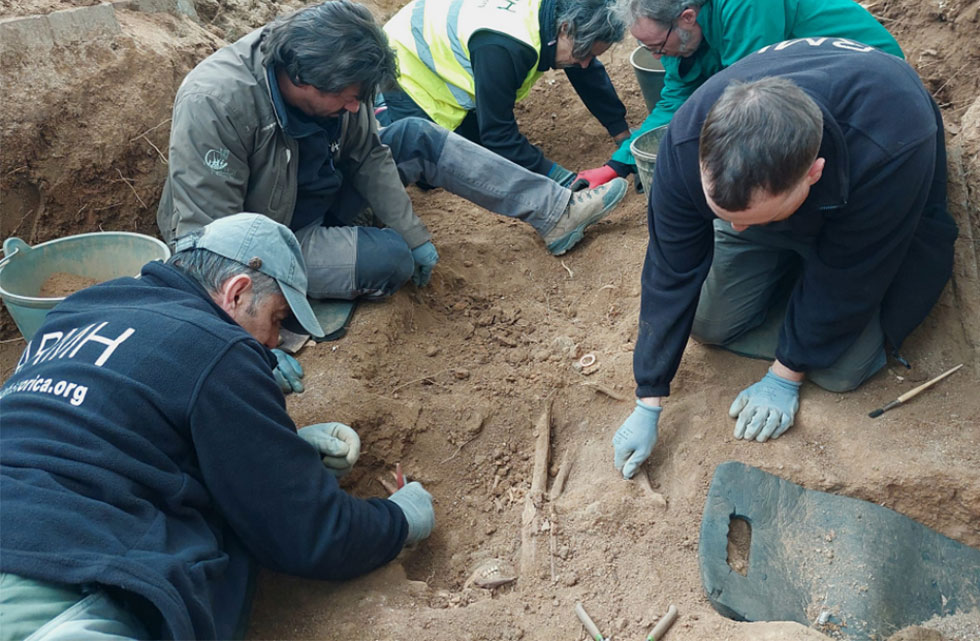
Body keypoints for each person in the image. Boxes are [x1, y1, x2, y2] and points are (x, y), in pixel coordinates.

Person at [0, 214, 436, 640]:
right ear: (237, 292)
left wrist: (279, 452)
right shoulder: (217, 350)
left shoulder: (81, 307)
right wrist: (399, 519)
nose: (271, 342)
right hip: (59, 595)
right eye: (278, 319)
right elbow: (308, 534)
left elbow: (104, 430)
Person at [612, 39, 957, 479]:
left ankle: (803, 318)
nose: (735, 230)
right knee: (708, 323)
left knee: (841, 372)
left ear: (813, 174)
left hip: (873, 212)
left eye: (748, 218)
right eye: (725, 217)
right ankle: (790, 283)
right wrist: (649, 394)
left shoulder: (891, 142)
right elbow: (670, 267)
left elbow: (850, 274)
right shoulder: (688, 142)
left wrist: (786, 374)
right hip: (785, 204)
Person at [158, 0, 629, 306]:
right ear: (302, 80)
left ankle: (556, 210)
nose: (354, 107)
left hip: (323, 188)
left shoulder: (341, 81)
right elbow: (208, 241)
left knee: (414, 135)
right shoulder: (216, 101)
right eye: (346, 98)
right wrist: (239, 330)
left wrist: (414, 231)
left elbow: (370, 153)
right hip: (274, 236)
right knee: (390, 259)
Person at [576, 0, 904, 188]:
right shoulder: (684, 37)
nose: (657, 56)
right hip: (806, 82)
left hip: (869, 83)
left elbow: (743, 94)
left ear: (687, 18)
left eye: (657, 47)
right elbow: (675, 100)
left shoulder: (748, 7)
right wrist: (617, 165)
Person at [380, 0, 630, 186]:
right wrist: (563, 180)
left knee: (479, 146)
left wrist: (624, 139)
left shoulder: (558, 15)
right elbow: (498, 134)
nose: (586, 63)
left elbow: (586, 72)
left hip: (452, 38)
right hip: (406, 61)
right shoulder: (505, 47)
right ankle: (380, 114)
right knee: (435, 169)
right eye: (584, 54)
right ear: (564, 29)